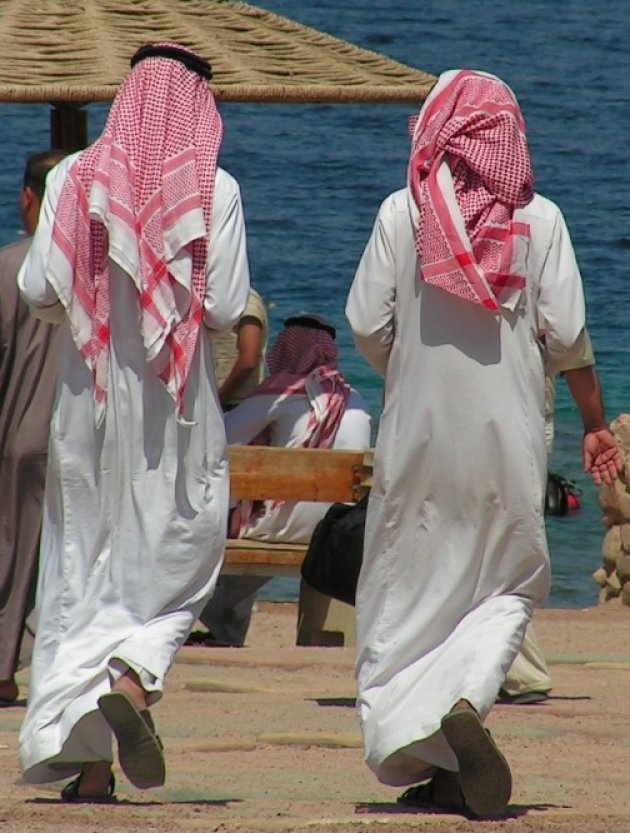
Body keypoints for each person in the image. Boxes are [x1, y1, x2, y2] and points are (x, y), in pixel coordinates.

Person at [345, 69, 621, 817]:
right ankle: (465, 700)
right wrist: (593, 418)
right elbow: (565, 336)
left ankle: (431, 740)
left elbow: (367, 323)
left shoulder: (403, 214)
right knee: (507, 584)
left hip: (417, 441)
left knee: (409, 589)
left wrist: (408, 372)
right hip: (510, 443)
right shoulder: (543, 222)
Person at [16, 42, 250, 802]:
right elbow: (220, 309)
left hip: (86, 416)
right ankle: (134, 674)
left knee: (84, 576)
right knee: (182, 561)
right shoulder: (214, 191)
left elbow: (38, 289)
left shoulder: (71, 180)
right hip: (174, 416)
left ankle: (86, 763)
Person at [196, 314, 372, 647]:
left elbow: (222, 437)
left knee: (231, 514)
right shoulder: (357, 399)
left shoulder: (282, 392)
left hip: (285, 525)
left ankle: (221, 626)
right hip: (336, 528)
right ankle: (224, 626)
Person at [500, 330, 615, 704]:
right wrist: (594, 423)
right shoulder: (540, 267)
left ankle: (519, 671)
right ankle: (511, 667)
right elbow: (569, 339)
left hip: (479, 409)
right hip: (525, 410)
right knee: (506, 541)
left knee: (493, 542)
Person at [0, 149, 67, 707]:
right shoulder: (103, 270)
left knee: (11, 557)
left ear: (28, 198)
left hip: (21, 437)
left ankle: (3, 670)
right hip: (88, 442)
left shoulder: (11, 265)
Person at [213, 286, 268, 410]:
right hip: (221, 400)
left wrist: (221, 397)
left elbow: (248, 361)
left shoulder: (246, 302)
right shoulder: (220, 298)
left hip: (236, 402)